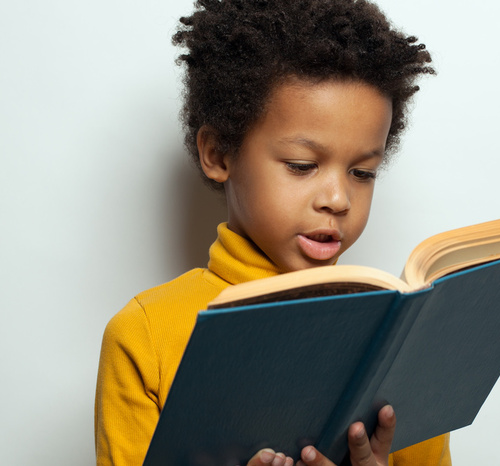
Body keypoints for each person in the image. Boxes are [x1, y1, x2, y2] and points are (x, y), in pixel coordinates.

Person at [94, 1, 450, 465]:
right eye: (302, 166)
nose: (338, 199)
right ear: (219, 154)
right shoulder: (144, 337)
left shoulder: (399, 339)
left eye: (363, 172)